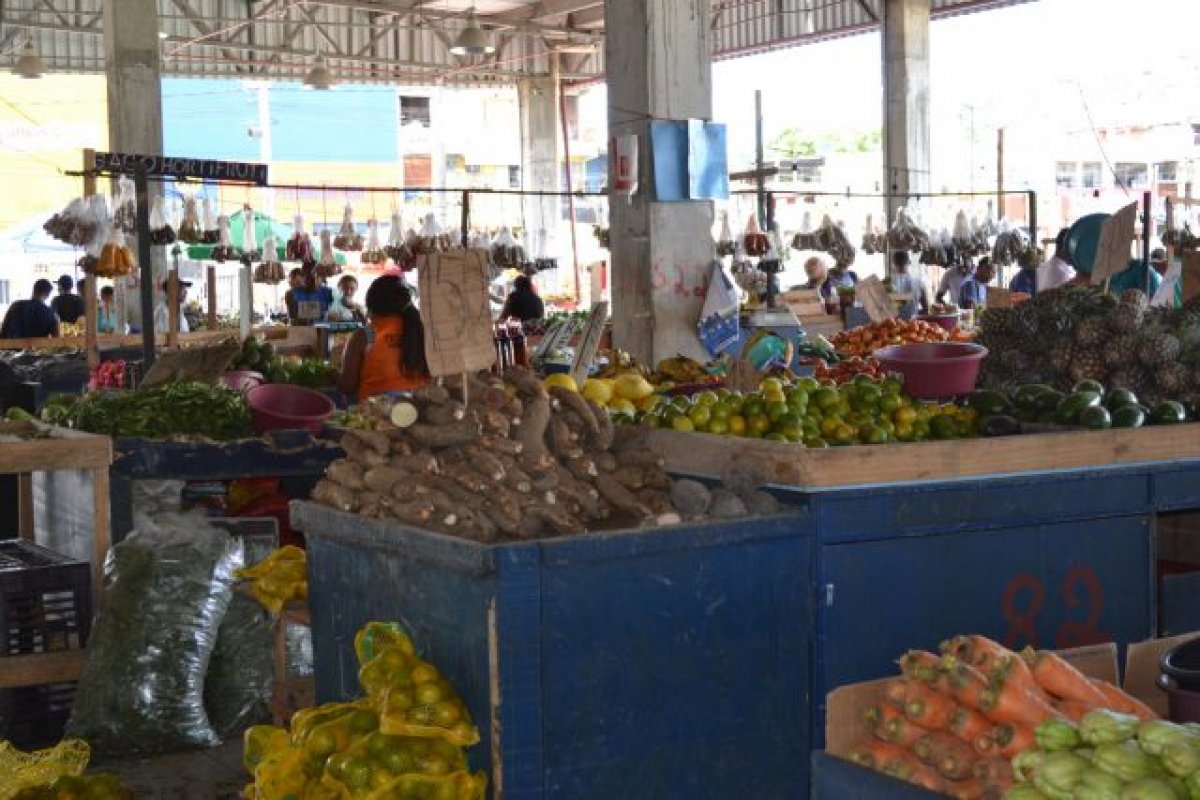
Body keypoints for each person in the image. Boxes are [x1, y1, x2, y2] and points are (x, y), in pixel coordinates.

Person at [337, 275, 430, 400]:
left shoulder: (367, 333)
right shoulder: (422, 330)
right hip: (419, 411)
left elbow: (347, 387)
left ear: (372, 303)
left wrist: (332, 376)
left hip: (375, 414)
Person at [888, 251, 928, 317]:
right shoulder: (919, 283)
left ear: (892, 264)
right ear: (909, 262)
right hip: (914, 325)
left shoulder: (885, 283)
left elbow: (879, 310)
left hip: (891, 325)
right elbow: (926, 310)